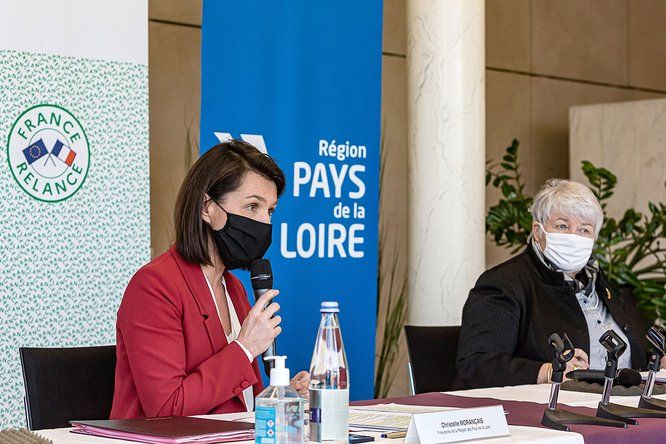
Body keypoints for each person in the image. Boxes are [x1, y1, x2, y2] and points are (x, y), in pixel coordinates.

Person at [111, 140, 309, 419]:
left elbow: (234, 399)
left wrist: (280, 395)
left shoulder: (234, 288)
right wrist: (245, 348)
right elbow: (166, 408)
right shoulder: (154, 286)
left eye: (270, 211)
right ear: (207, 208)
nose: (265, 222)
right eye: (253, 206)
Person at [456, 179, 661, 389]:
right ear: (538, 232)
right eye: (562, 226)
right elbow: (476, 365)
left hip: (621, 401)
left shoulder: (598, 283)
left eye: (584, 230)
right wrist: (547, 372)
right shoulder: (504, 283)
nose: (574, 237)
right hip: (547, 409)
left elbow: (623, 356)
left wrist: (658, 362)